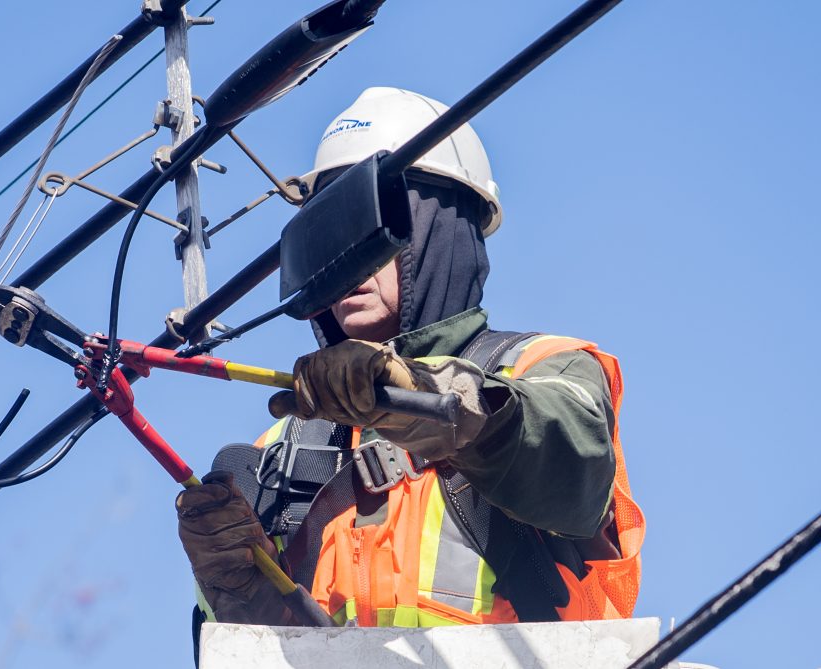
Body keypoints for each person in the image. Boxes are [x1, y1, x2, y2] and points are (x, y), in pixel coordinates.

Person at [176, 87, 644, 637]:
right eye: (331, 240)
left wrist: (421, 395)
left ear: (436, 231)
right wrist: (236, 595)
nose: (346, 264)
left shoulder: (542, 368)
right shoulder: (280, 451)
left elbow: (567, 467)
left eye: (369, 232)